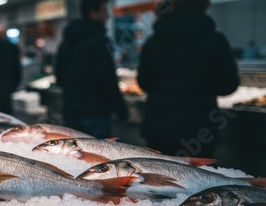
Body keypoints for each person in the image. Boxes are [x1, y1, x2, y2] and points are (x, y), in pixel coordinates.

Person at [137, 0, 239, 158]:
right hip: (199, 130)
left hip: (159, 128)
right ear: (205, 5)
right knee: (199, 180)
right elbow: (228, 85)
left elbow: (143, 82)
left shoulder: (153, 42)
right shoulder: (216, 41)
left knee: (161, 179)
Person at [55, 0, 129, 139]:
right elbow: (108, 80)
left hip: (70, 113)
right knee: (98, 157)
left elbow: (59, 78)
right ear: (93, 13)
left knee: (73, 158)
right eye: (104, 11)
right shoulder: (100, 42)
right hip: (96, 115)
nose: (107, 16)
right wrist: (122, 112)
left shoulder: (65, 43)